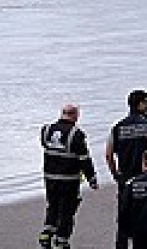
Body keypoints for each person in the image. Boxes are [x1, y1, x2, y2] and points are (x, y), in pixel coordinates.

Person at [107, 89, 147, 249]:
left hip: (126, 178)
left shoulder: (117, 127)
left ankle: (121, 246)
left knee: (124, 215)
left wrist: (116, 174)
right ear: (141, 104)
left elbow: (108, 155)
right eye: (146, 103)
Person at [39, 103, 99, 249]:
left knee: (52, 206)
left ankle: (46, 233)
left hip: (50, 178)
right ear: (74, 115)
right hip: (69, 179)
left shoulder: (46, 130)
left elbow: (47, 147)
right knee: (67, 210)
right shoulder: (76, 134)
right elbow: (84, 159)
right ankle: (61, 240)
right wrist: (92, 178)